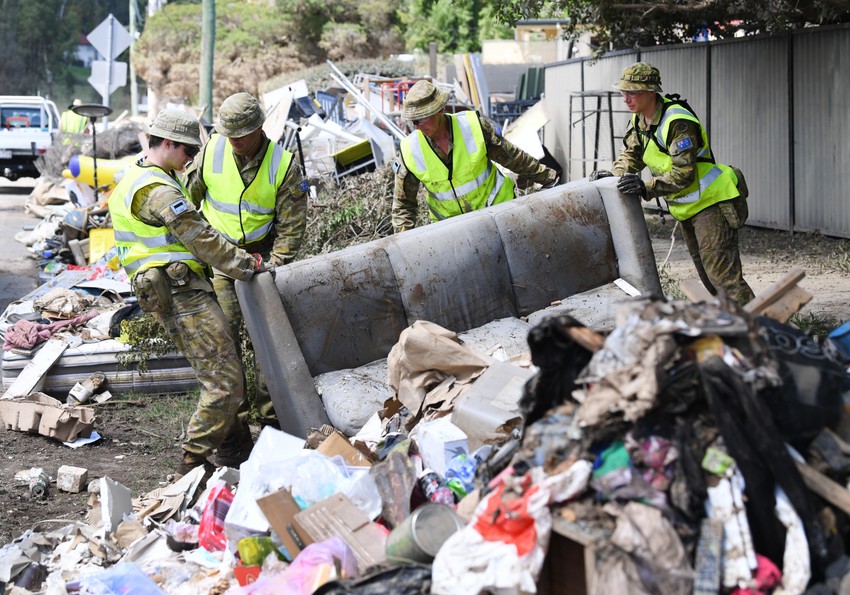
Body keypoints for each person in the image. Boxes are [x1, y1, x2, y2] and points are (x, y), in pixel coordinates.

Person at [108, 109, 265, 476]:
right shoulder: (157, 190)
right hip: (181, 295)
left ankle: (237, 452)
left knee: (222, 374)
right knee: (225, 383)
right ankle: (192, 463)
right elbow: (199, 237)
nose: (192, 159)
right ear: (166, 143)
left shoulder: (143, 175)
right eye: (187, 151)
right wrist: (246, 266)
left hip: (177, 291)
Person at [186, 92, 307, 432]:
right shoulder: (212, 150)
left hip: (262, 259)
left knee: (266, 342)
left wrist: (276, 264)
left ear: (258, 128)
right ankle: (234, 423)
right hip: (222, 257)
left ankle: (271, 418)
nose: (235, 142)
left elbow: (292, 225)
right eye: (230, 135)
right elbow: (186, 202)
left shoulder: (283, 166)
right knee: (226, 339)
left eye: (241, 135)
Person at [592, 62, 754, 305]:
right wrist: (615, 177)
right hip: (689, 208)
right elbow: (631, 155)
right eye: (624, 92)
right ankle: (736, 329)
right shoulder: (639, 121)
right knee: (709, 279)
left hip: (712, 203)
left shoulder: (677, 122)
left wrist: (644, 188)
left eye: (633, 92)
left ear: (651, 92)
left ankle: (765, 330)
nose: (627, 98)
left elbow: (684, 173)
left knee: (723, 279)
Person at [392, 80, 559, 233]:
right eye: (413, 121)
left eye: (420, 119)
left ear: (440, 111)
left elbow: (511, 157)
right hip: (454, 232)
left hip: (500, 214)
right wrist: (404, 244)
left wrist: (548, 178)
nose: (416, 127)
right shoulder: (410, 149)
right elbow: (403, 205)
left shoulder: (473, 127)